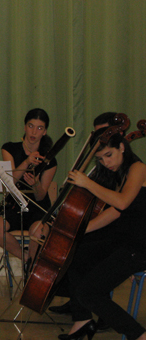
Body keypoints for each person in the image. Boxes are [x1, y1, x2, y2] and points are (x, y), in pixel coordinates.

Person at [56, 132, 146, 340]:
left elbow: (122, 202)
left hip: (139, 246)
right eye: (101, 159)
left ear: (122, 147)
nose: (106, 163)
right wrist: (80, 230)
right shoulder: (122, 173)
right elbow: (115, 211)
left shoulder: (138, 168)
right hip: (123, 243)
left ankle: (139, 335)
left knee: (89, 292)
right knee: (74, 255)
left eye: (109, 155)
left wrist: (87, 183)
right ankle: (82, 321)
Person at [0, 108, 57, 266]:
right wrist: (26, 162)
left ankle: (31, 270)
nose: (34, 132)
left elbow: (40, 196)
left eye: (39, 128)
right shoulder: (9, 148)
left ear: (45, 131)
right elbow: (10, 181)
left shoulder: (50, 159)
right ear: (25, 127)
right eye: (31, 126)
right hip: (14, 204)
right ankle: (26, 259)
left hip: (37, 207)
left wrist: (36, 184)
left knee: (38, 232)